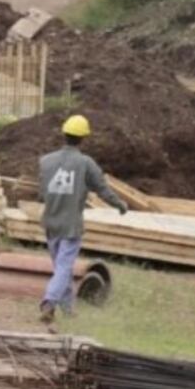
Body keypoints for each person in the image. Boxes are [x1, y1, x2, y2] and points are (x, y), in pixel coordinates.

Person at [38, 115, 128, 323]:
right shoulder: (86, 163)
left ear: (64, 134)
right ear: (83, 138)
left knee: (62, 268)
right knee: (64, 267)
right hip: (71, 226)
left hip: (51, 223)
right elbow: (103, 190)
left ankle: (68, 309)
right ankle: (49, 302)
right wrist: (120, 205)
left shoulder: (46, 161)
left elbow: (41, 194)